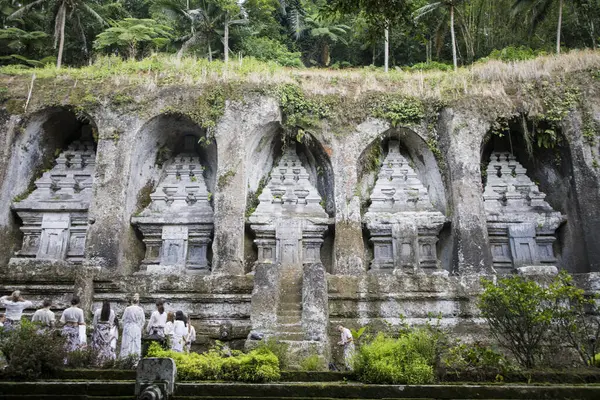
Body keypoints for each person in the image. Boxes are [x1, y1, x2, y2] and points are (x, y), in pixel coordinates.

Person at [120, 293, 145, 360]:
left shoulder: (128, 309)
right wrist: (140, 328)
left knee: (127, 343)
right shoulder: (140, 309)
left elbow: (123, 320)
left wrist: (125, 327)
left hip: (128, 327)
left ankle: (125, 359)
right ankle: (135, 359)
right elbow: (143, 321)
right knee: (135, 344)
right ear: (138, 301)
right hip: (137, 328)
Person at [92, 300, 116, 365]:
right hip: (107, 331)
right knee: (106, 346)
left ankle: (97, 361)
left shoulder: (97, 311)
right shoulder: (112, 312)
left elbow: (94, 323)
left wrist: (96, 329)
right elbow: (111, 323)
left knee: (98, 346)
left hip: (99, 330)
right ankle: (106, 360)